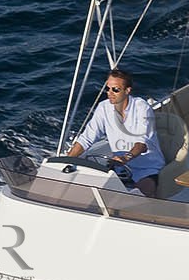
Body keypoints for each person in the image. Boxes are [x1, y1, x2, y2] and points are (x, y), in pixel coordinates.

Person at [67, 67, 165, 197]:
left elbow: (142, 144)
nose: (110, 93)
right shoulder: (103, 107)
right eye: (108, 88)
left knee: (140, 196)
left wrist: (125, 158)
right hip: (119, 168)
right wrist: (67, 159)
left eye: (115, 90)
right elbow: (86, 139)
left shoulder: (142, 108)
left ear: (127, 90)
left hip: (147, 168)